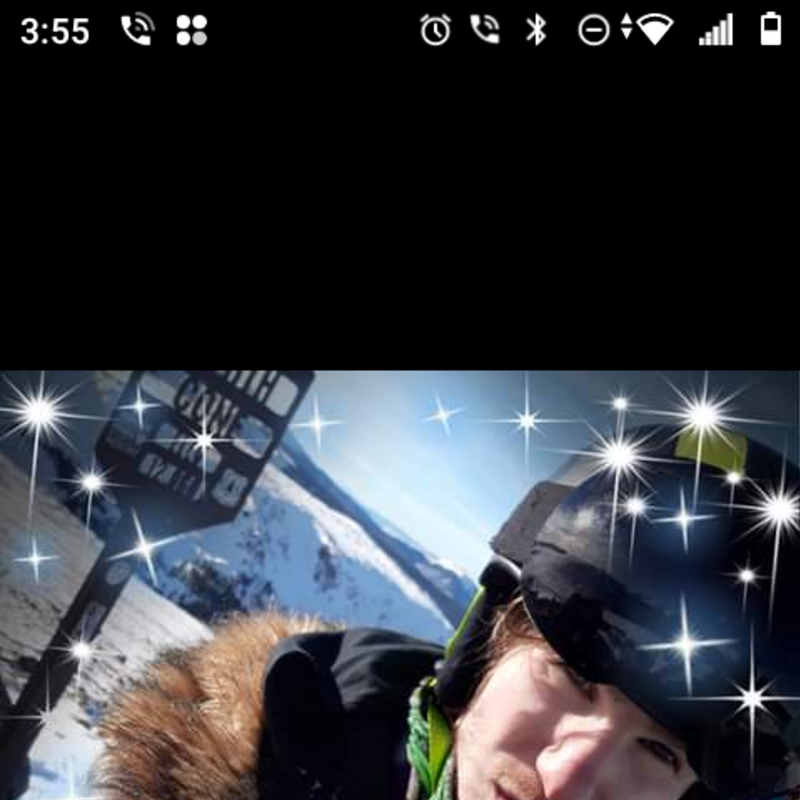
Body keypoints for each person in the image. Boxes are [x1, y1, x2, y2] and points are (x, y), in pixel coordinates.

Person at [92, 425, 800, 800]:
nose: (567, 781)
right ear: (486, 648)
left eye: (660, 752)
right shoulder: (251, 770)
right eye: (570, 677)